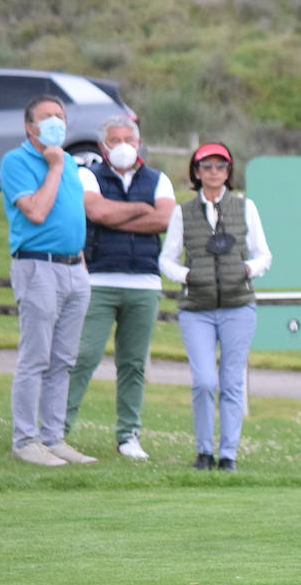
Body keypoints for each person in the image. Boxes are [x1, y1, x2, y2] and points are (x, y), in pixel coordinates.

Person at [64, 116, 175, 460]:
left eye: (129, 138)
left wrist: (123, 214)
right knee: (83, 356)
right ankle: (56, 430)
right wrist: (141, 209)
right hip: (99, 279)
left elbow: (165, 219)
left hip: (144, 281)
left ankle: (128, 435)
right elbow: (96, 212)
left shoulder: (159, 179)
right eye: (115, 139)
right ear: (103, 146)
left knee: (133, 363)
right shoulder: (88, 175)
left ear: (139, 143)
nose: (123, 144)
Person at [157, 142, 271, 472]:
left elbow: (263, 254)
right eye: (206, 167)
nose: (214, 172)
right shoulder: (183, 212)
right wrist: (186, 275)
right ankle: (204, 450)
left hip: (238, 306)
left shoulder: (245, 208)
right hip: (197, 308)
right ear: (196, 172)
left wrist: (249, 269)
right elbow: (167, 258)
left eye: (220, 167)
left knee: (232, 383)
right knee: (205, 381)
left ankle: (228, 455)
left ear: (228, 172)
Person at [0, 94, 98, 467]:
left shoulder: (71, 164)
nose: (56, 121)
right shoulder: (17, 161)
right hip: (38, 267)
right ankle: (26, 440)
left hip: (75, 268)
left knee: (63, 359)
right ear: (30, 127)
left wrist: (82, 265)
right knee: (35, 357)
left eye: (60, 116)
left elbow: (73, 219)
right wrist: (54, 166)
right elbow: (37, 212)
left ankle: (53, 438)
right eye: (47, 117)